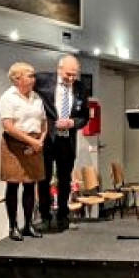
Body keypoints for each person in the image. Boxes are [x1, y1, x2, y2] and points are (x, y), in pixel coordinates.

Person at [36, 54, 89, 232]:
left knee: (64, 180)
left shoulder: (81, 88)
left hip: (67, 139)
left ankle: (63, 216)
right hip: (48, 138)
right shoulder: (43, 80)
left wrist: (73, 122)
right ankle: (44, 216)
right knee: (44, 178)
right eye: (68, 74)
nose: (71, 78)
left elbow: (84, 117)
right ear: (59, 70)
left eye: (74, 74)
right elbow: (23, 83)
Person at [0, 62, 47, 240]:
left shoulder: (36, 98)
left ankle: (28, 224)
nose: (34, 79)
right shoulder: (8, 98)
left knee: (30, 184)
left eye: (33, 75)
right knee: (13, 184)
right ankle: (13, 227)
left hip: (34, 144)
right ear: (17, 78)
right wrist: (31, 141)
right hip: (14, 144)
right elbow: (8, 126)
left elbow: (43, 122)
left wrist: (39, 141)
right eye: (30, 75)